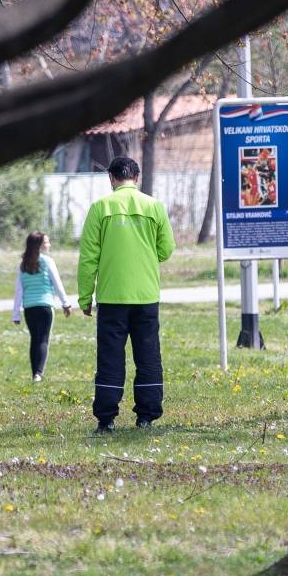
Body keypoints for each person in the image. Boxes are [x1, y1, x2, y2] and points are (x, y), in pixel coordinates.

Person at [77, 155, 175, 434]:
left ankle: (106, 418)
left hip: (111, 297)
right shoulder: (154, 206)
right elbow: (167, 249)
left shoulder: (100, 208)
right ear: (137, 176)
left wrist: (85, 297)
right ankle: (147, 415)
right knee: (148, 356)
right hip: (146, 295)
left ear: (111, 178)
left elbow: (88, 258)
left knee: (110, 358)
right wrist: (145, 256)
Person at [12, 231, 71, 381]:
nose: (49, 245)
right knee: (43, 340)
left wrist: (16, 314)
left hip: (29, 308)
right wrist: (65, 303)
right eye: (46, 242)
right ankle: (39, 373)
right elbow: (57, 284)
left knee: (34, 339)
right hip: (45, 306)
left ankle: (34, 374)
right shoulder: (48, 261)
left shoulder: (23, 265)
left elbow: (19, 290)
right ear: (39, 245)